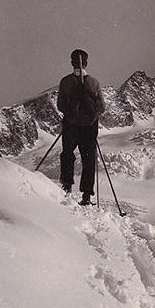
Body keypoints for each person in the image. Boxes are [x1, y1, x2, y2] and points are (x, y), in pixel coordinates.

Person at [57, 49, 105, 205]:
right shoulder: (94, 82)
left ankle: (66, 188)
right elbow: (101, 107)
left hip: (71, 126)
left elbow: (60, 105)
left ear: (72, 63)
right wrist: (91, 119)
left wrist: (72, 116)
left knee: (67, 154)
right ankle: (86, 196)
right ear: (86, 62)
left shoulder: (65, 82)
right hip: (89, 128)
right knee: (89, 160)